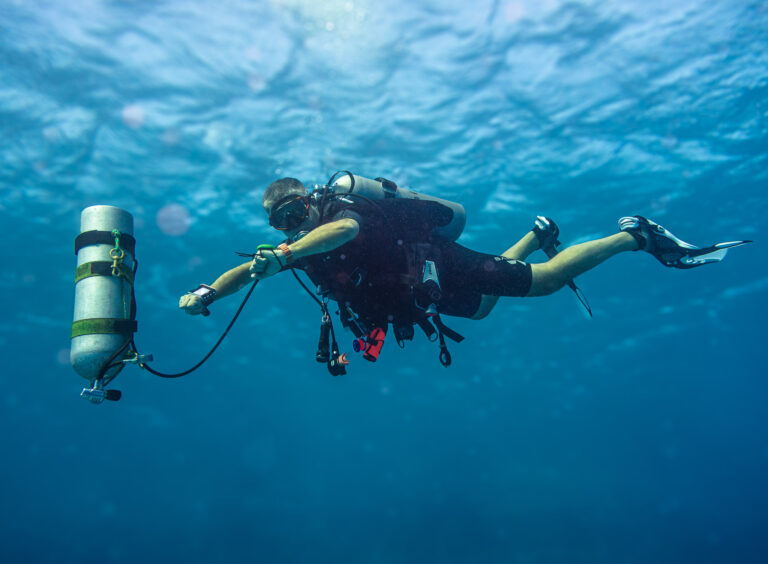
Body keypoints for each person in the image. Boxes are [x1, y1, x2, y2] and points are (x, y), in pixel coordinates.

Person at [179, 174, 748, 370]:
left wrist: (286, 253)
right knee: (483, 308)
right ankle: (536, 236)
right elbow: (246, 273)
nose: (290, 224)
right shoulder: (295, 247)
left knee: (545, 283)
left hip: (434, 262)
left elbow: (347, 232)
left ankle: (636, 235)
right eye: (280, 222)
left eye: (293, 211)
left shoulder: (337, 211)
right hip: (416, 295)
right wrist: (208, 291)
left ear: (308, 199)